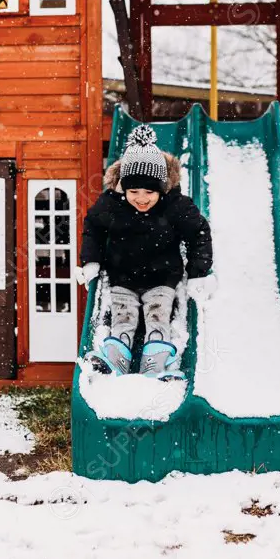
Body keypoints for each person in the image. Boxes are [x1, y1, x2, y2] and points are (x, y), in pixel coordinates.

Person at [76, 124, 215, 381]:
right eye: (133, 191)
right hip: (123, 276)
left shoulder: (175, 206)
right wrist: (91, 260)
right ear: (123, 189)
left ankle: (156, 362)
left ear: (160, 189)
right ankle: (117, 355)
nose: (141, 198)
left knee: (158, 313)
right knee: (122, 314)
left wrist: (198, 272)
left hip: (162, 277)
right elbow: (93, 226)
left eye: (149, 192)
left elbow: (199, 232)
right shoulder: (112, 204)